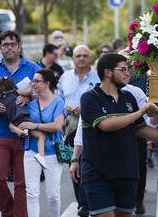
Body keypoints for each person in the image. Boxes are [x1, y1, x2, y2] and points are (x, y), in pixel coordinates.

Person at [80, 53, 158, 217]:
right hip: (98, 173)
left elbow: (140, 129)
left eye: (128, 69)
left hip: (127, 172)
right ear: (108, 72)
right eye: (123, 69)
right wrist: (141, 111)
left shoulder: (129, 97)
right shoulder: (90, 98)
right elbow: (106, 126)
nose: (128, 73)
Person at [0, 30, 40, 217]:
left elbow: (44, 95)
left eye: (12, 44)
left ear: (19, 46)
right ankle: (9, 212)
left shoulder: (33, 68)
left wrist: (28, 98)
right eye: (5, 44)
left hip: (26, 132)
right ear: (0, 48)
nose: (9, 48)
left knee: (22, 183)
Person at [15, 69, 65, 217]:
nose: (33, 84)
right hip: (31, 151)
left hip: (52, 153)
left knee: (53, 194)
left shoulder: (58, 102)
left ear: (47, 83)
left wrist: (35, 126)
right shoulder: (30, 103)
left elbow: (57, 126)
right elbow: (21, 122)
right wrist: (24, 129)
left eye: (37, 81)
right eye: (32, 81)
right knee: (31, 194)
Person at [60, 45, 101, 217]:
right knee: (74, 166)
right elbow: (58, 98)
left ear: (90, 58)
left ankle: (89, 202)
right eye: (78, 56)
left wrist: (87, 109)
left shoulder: (98, 77)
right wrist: (66, 108)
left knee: (89, 167)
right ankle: (82, 203)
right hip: (71, 130)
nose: (81, 58)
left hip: (92, 129)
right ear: (73, 58)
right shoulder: (65, 77)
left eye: (85, 55)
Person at [0, 76, 48, 169]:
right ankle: (41, 156)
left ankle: (21, 131)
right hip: (22, 116)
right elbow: (29, 92)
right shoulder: (15, 92)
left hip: (13, 120)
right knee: (41, 135)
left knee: (24, 130)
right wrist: (30, 85)